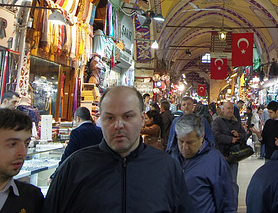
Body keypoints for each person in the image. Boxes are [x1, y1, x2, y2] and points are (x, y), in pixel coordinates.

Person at [43, 86, 191, 212]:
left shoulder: (166, 167)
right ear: (101, 120)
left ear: (141, 119)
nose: (118, 125)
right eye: (110, 118)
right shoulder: (75, 167)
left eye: (127, 117)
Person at [169, 114, 237, 213]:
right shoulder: (171, 158)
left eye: (190, 142)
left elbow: (227, 203)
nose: (184, 147)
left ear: (202, 137)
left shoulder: (215, 161)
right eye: (181, 141)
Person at [212, 101, 247, 184]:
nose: (230, 110)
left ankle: (233, 197)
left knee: (232, 182)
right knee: (220, 181)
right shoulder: (217, 121)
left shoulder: (236, 122)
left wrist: (238, 135)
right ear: (223, 109)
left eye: (232, 108)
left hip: (233, 157)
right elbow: (215, 136)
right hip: (221, 155)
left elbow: (244, 135)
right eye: (228, 108)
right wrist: (230, 139)